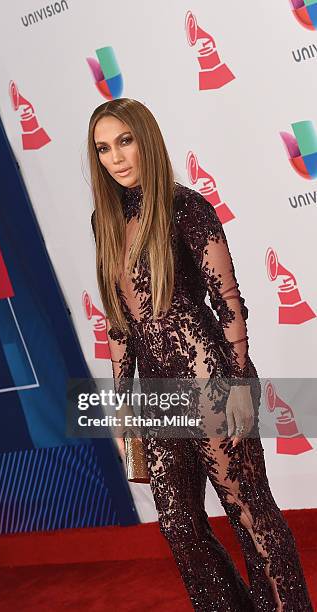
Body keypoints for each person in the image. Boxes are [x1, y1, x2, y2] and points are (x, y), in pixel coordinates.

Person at [88, 98, 313, 611]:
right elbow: (120, 325)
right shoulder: (102, 223)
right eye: (103, 148)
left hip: (210, 376)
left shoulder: (187, 208)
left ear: (147, 140)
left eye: (125, 141)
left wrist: (236, 383)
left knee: (249, 511)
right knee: (178, 525)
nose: (117, 158)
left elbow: (227, 300)